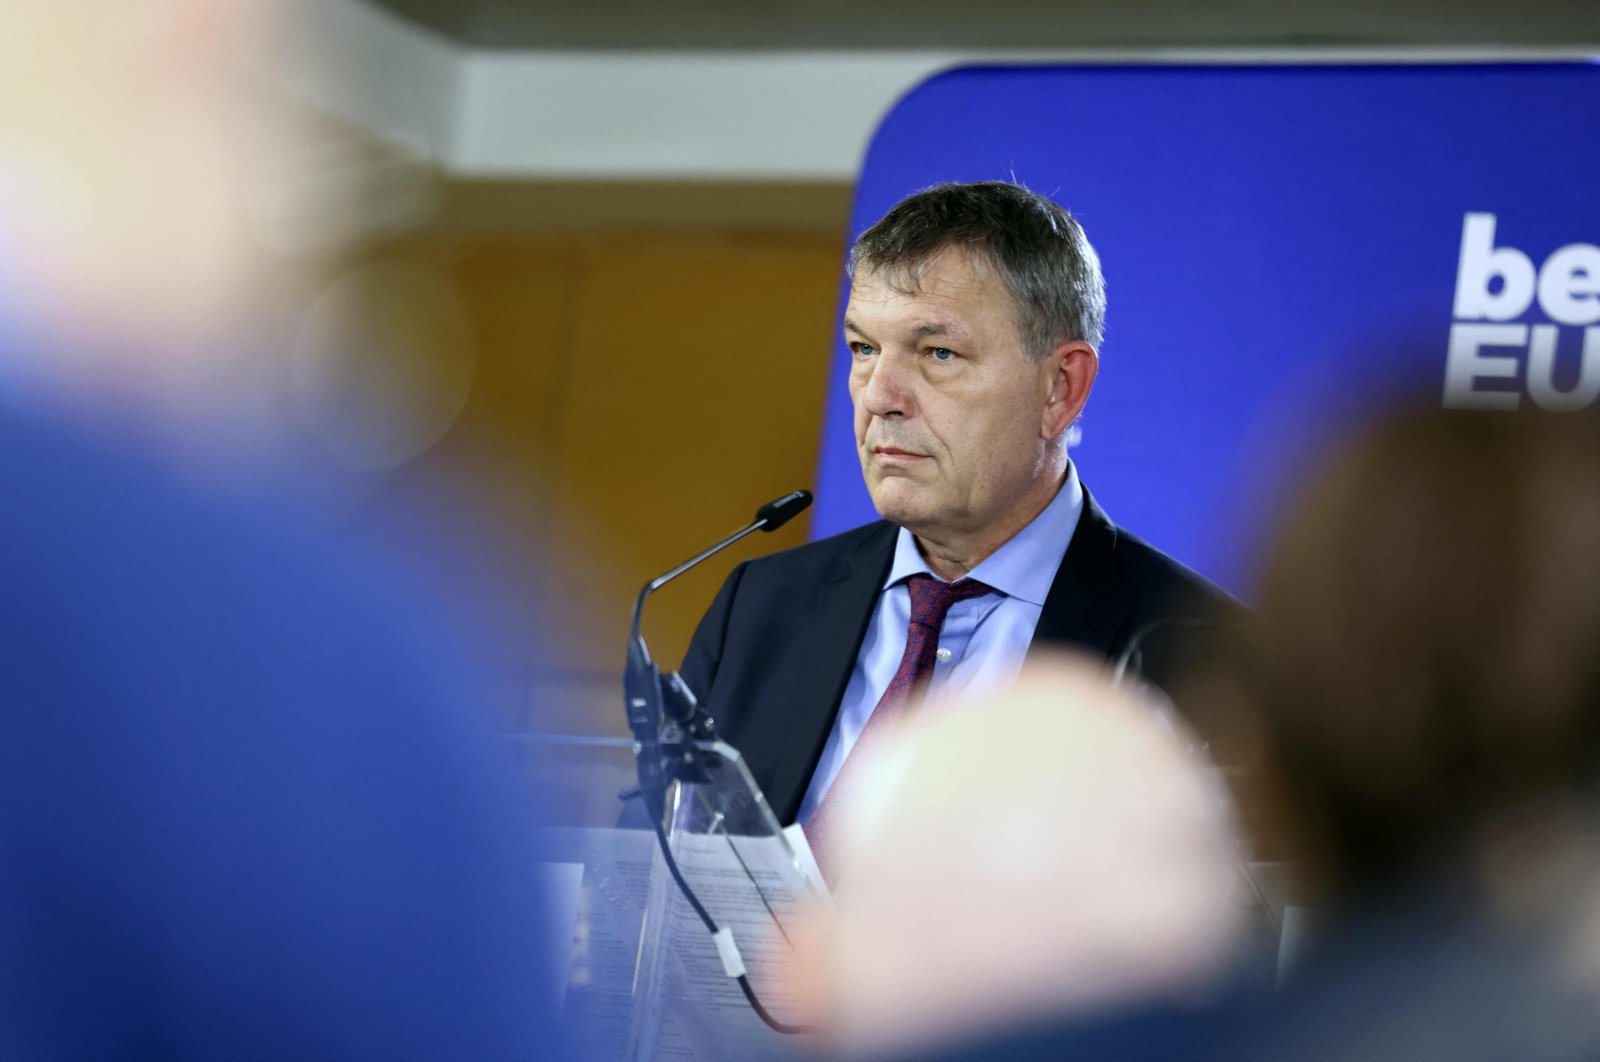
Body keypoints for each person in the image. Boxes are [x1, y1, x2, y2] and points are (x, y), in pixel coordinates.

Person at [680, 181, 1236, 841]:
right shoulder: (759, 611)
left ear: (1061, 388)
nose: (880, 395)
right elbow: (643, 884)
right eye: (864, 349)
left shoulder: (1206, 656)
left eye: (938, 353)